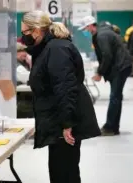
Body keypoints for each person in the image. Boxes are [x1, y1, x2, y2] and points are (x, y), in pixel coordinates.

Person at [21, 11, 100, 183]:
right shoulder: (48, 48)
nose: (23, 37)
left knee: (64, 172)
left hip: (64, 121)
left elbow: (65, 88)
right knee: (62, 170)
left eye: (25, 33)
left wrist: (67, 124)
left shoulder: (56, 49)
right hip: (58, 118)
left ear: (37, 30)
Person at [78, 15, 133, 136]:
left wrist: (100, 72)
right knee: (116, 97)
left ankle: (109, 127)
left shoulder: (102, 35)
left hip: (121, 66)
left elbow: (107, 56)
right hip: (122, 65)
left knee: (114, 97)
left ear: (91, 26)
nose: (85, 32)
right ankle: (114, 127)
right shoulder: (103, 33)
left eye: (86, 29)